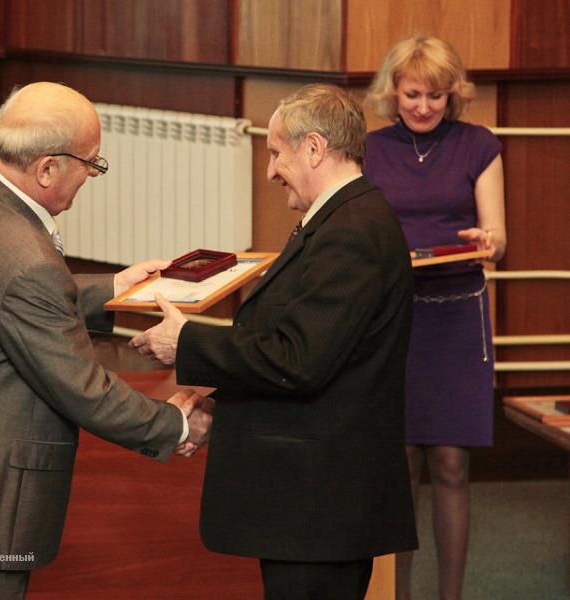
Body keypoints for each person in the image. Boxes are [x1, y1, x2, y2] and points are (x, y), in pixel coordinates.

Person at [0, 82, 211, 600]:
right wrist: (173, 424)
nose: (91, 178)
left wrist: (111, 289)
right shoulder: (28, 262)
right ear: (46, 169)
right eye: (91, 164)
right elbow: (82, 388)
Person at [131, 84, 418, 600]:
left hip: (319, 507)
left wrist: (188, 342)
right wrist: (220, 402)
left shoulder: (350, 231)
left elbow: (299, 359)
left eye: (275, 152)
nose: (269, 171)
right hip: (313, 504)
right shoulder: (339, 220)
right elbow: (308, 351)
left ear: (313, 148)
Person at [364, 35, 507, 600]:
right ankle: (394, 596)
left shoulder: (480, 145)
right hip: (393, 318)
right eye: (413, 93)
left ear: (454, 96)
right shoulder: (370, 148)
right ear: (393, 92)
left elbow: (498, 240)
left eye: (436, 96)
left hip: (456, 319)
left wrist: (485, 240)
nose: (423, 106)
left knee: (451, 463)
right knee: (398, 467)